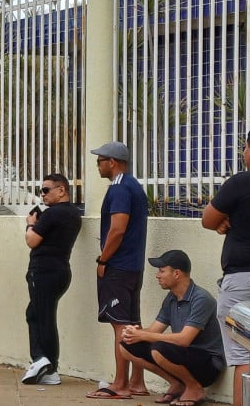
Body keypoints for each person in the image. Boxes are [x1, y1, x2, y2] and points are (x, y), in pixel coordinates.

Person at [201, 123, 250, 406]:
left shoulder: (242, 182)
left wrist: (226, 221)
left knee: (245, 355)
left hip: (244, 281)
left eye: (245, 147)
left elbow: (208, 219)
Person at [120, 250, 226, 406]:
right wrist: (134, 333)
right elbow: (154, 331)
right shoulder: (171, 298)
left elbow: (184, 339)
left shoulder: (201, 298)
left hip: (208, 364)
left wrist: (144, 336)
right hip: (183, 357)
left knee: (158, 348)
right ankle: (177, 384)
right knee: (126, 345)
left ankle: (194, 388)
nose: (157, 275)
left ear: (176, 273)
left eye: (162, 271)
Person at [86, 141, 149, 400]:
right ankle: (137, 381)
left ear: (112, 162)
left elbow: (118, 228)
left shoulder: (120, 187)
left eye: (100, 161)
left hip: (119, 266)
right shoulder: (134, 185)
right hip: (133, 266)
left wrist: (103, 260)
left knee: (121, 326)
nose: (97, 165)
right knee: (133, 325)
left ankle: (120, 384)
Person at [21, 174, 82, 385]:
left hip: (44, 270)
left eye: (46, 190)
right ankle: (45, 364)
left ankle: (45, 363)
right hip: (61, 270)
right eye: (41, 191)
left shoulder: (52, 214)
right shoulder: (74, 214)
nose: (43, 194)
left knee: (40, 317)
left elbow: (32, 240)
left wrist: (30, 224)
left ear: (62, 190)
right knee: (40, 315)